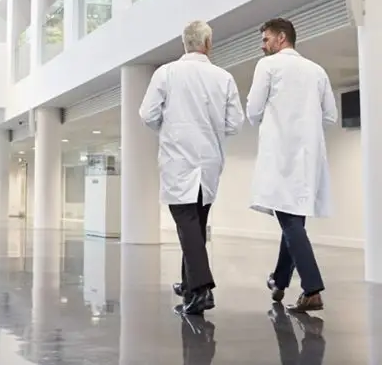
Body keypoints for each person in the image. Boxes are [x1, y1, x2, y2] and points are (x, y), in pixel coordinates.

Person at [139, 20, 244, 315]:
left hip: (178, 160)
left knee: (187, 226)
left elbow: (147, 114)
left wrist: (167, 128)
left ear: (184, 44)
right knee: (195, 226)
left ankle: (201, 290)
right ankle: (189, 285)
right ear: (208, 44)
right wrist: (212, 129)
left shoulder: (166, 73)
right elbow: (235, 123)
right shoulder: (223, 77)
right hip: (209, 162)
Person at [246, 18, 337, 313]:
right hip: (308, 157)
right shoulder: (317, 70)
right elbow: (330, 116)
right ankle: (280, 279)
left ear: (281, 38)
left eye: (265, 39)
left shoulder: (268, 67)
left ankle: (312, 289)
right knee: (293, 220)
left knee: (289, 221)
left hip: (280, 154)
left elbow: (253, 109)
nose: (262, 45)